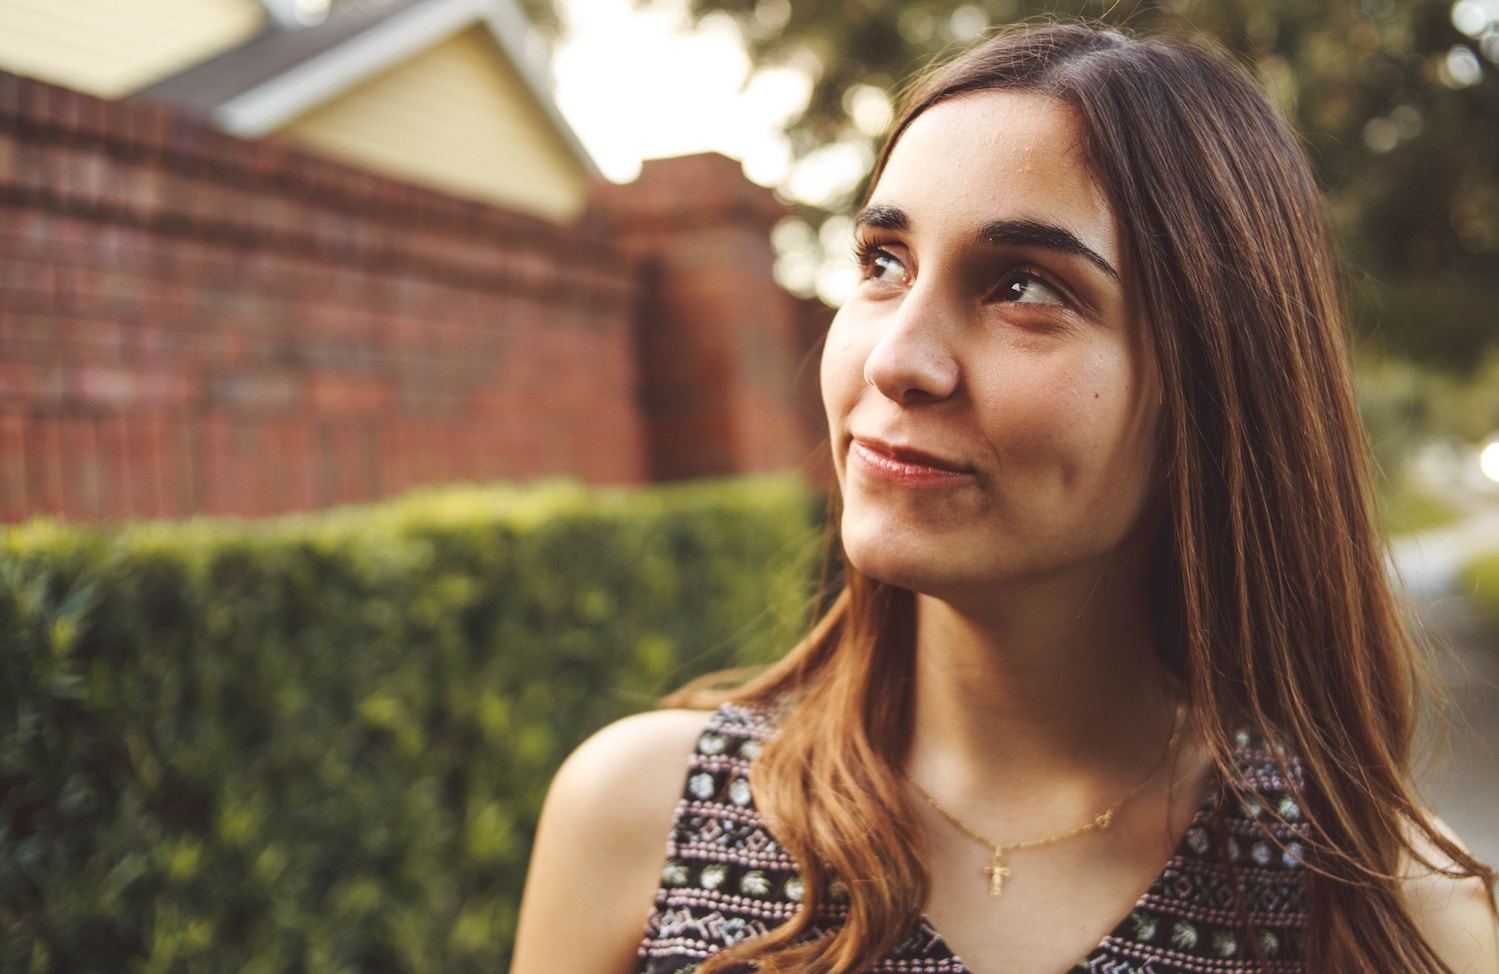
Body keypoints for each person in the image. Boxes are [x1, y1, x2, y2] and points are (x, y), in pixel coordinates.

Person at [510, 22, 1499, 973]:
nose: (895, 360)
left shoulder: (1392, 915)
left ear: (1211, 385)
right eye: (882, 262)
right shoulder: (638, 813)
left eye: (1022, 286)